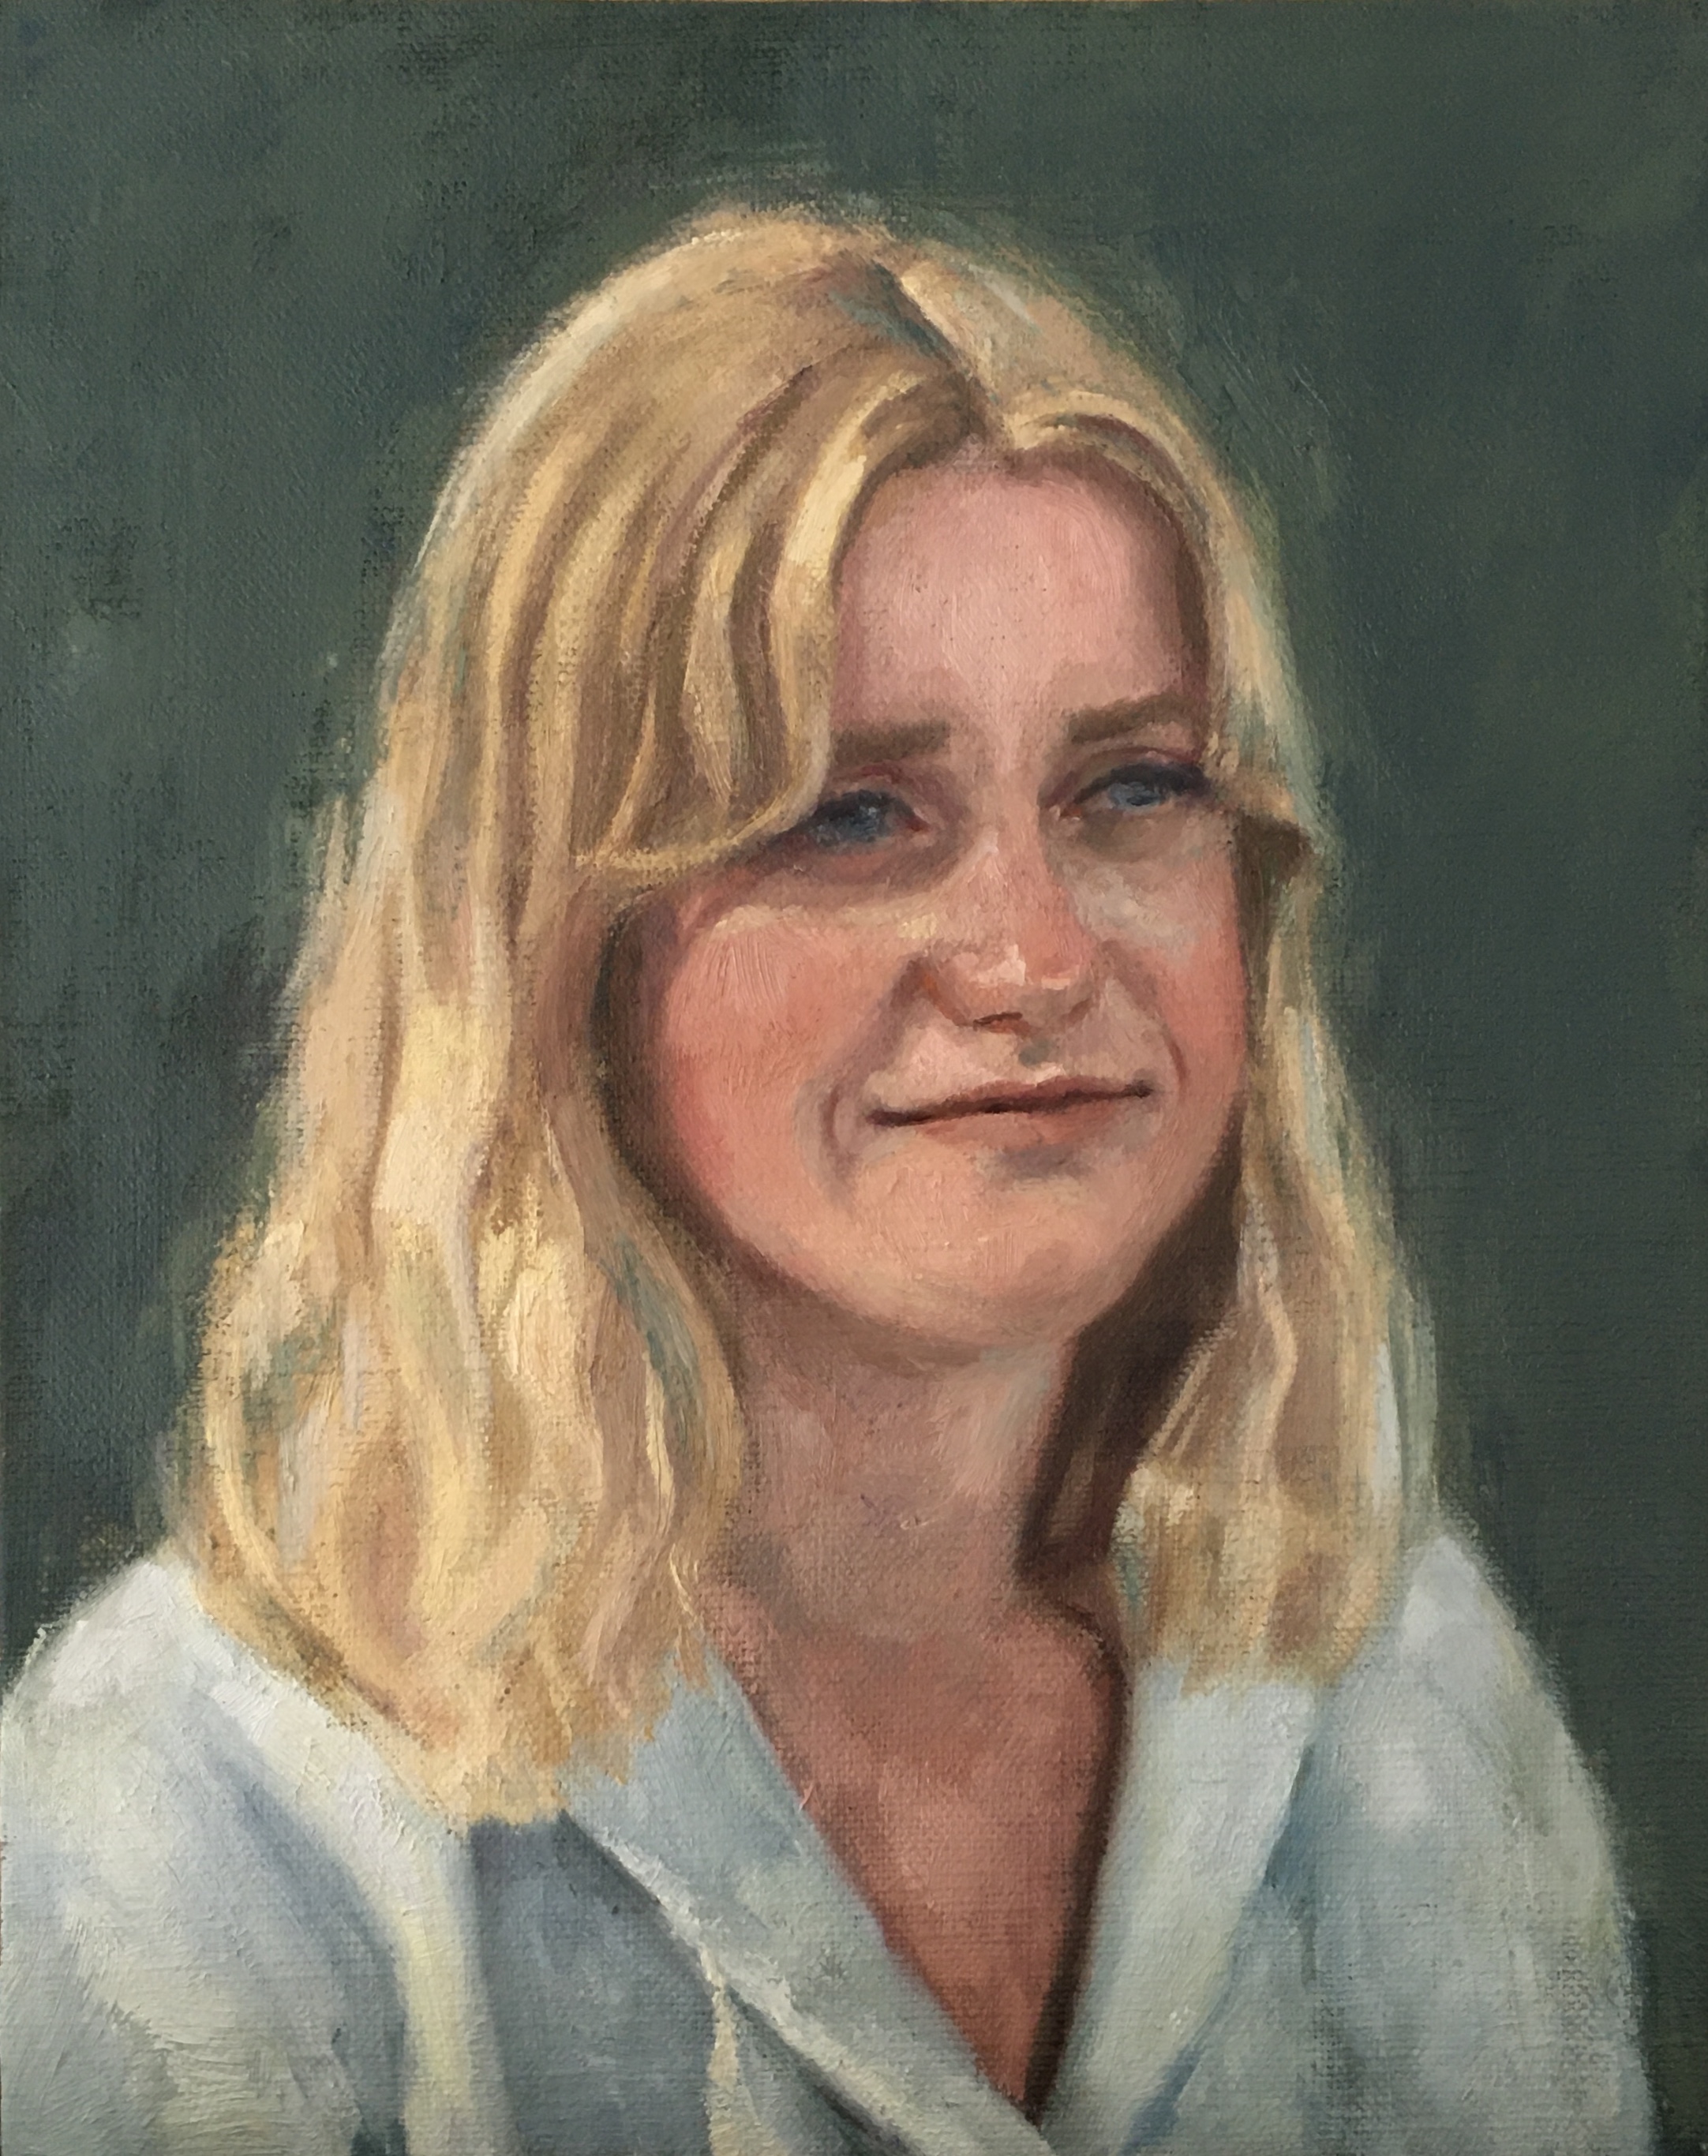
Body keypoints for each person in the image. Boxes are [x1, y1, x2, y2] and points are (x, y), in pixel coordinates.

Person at [2, 210, 1652, 2156]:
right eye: (853, 815)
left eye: (1130, 788)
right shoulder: (202, 1805)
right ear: (558, 954)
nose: (1034, 955)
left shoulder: (1385, 1689)